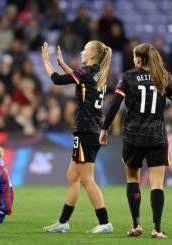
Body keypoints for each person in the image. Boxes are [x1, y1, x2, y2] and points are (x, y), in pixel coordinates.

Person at [99, 43, 172, 238]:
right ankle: (157, 228)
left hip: (133, 136)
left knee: (133, 179)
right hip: (157, 136)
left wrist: (104, 128)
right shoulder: (163, 77)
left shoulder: (128, 78)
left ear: (139, 59)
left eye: (135, 56)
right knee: (157, 184)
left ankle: (136, 225)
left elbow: (115, 104)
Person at [41, 41, 113, 233]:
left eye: (85, 49)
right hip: (92, 130)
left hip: (85, 131)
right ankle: (63, 222)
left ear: (92, 56)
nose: (82, 51)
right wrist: (64, 65)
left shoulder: (87, 72)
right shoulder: (98, 73)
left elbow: (57, 80)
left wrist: (46, 62)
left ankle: (105, 222)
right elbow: (80, 79)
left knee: (86, 179)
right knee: (72, 176)